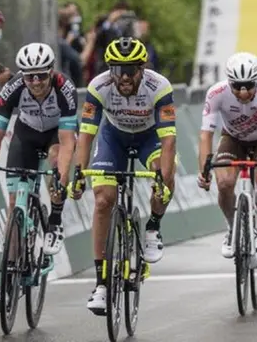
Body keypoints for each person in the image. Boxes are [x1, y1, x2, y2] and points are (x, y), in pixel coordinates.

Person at [67, 37, 177, 315]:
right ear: (110, 71)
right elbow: (87, 134)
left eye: (131, 70)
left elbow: (168, 141)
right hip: (112, 137)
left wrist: (163, 180)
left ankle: (153, 226)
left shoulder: (159, 87)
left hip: (149, 138)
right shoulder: (99, 86)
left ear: (142, 69)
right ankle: (101, 284)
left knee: (164, 171)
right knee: (103, 200)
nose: (125, 77)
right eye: (118, 70)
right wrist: (78, 173)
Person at [0, 43, 78, 312]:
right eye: (29, 76)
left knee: (57, 163)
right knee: (14, 205)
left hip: (57, 134)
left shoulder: (64, 89)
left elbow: (68, 143)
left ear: (51, 72)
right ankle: (8, 280)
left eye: (41, 75)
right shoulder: (12, 89)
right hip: (27, 134)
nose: (35, 82)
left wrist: (60, 175)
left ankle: (54, 220)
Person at [197, 52, 257, 273]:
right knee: (225, 183)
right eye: (237, 86)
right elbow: (206, 135)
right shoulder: (216, 93)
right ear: (229, 82)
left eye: (249, 85)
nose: (244, 92)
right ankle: (233, 227)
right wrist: (204, 171)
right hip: (233, 138)